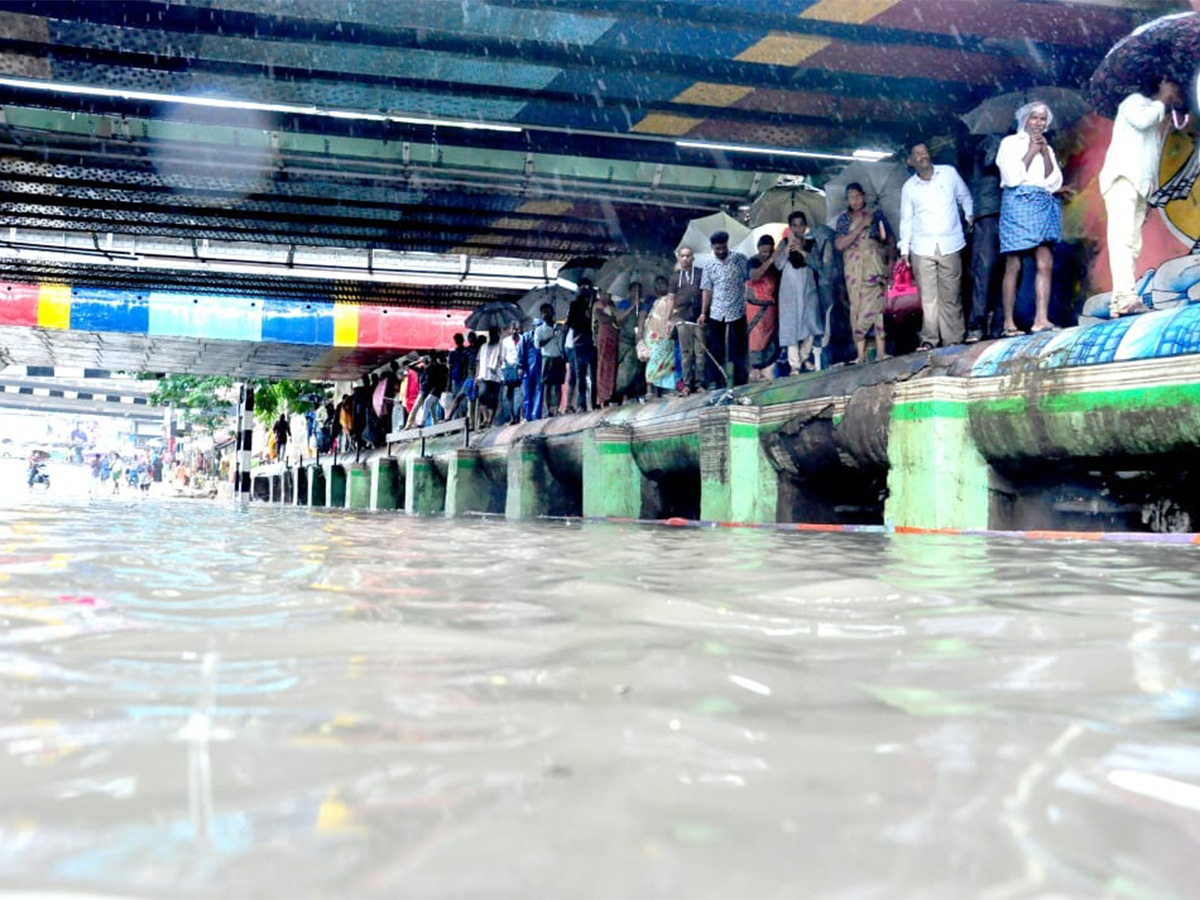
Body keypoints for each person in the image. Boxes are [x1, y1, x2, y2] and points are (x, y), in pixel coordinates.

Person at [1100, 74, 1185, 317]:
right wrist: (1163, 102)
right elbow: (1142, 120)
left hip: (1138, 185)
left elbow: (1150, 158)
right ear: (1161, 82)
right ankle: (1126, 299)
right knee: (1123, 241)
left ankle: (1121, 301)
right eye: (1171, 84)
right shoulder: (1134, 101)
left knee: (1132, 244)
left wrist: (1148, 193)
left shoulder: (1156, 114)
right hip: (1123, 179)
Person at [899, 139, 974, 350]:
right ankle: (929, 340)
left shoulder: (948, 173)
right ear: (910, 161)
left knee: (951, 295)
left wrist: (969, 215)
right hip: (922, 248)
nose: (923, 155)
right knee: (928, 300)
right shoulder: (909, 188)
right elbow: (906, 220)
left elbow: (965, 196)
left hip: (950, 243)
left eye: (924, 151)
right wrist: (904, 249)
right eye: (917, 153)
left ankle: (953, 340)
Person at [997, 101, 1063, 336]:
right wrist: (1031, 152)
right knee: (1014, 263)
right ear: (1024, 119)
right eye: (1034, 118)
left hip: (1042, 202)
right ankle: (1008, 323)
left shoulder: (1048, 147)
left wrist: (1044, 153)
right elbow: (1012, 177)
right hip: (1017, 202)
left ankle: (1041, 319)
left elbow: (1054, 181)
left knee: (1045, 263)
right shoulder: (1009, 144)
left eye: (1043, 119)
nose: (1039, 123)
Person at [835, 183, 895, 364]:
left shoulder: (876, 214)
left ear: (864, 196)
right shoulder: (844, 220)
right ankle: (860, 355)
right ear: (847, 200)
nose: (855, 200)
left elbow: (889, 239)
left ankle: (881, 352)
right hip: (854, 268)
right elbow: (840, 244)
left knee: (877, 308)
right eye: (851, 197)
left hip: (874, 265)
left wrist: (891, 261)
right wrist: (861, 225)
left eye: (858, 196)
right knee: (857, 307)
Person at [699, 230, 749, 388]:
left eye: (723, 248)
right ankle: (717, 381)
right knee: (716, 348)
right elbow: (706, 289)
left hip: (738, 309)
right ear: (712, 247)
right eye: (717, 249)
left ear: (727, 244)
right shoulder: (708, 264)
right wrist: (703, 313)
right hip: (717, 311)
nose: (721, 251)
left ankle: (740, 380)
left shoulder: (739, 259)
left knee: (738, 347)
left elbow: (748, 280)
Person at [774, 212, 823, 373]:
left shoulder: (811, 243)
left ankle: (805, 357)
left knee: (810, 321)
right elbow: (778, 265)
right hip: (789, 289)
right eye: (794, 225)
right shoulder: (783, 244)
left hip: (807, 287)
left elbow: (817, 265)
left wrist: (803, 251)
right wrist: (787, 249)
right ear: (790, 227)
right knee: (791, 324)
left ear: (805, 225)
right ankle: (794, 364)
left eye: (801, 224)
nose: (798, 228)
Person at [967, 135, 1004, 340]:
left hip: (1003, 209)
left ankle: (997, 324)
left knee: (1004, 270)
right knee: (986, 269)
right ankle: (977, 324)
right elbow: (992, 163)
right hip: (989, 211)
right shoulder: (992, 141)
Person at [668, 247, 705, 395]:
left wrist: (703, 313)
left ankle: (700, 383)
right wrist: (669, 319)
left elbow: (706, 293)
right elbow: (671, 299)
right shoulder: (675, 277)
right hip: (682, 319)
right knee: (686, 353)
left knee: (700, 353)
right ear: (679, 258)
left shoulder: (700, 274)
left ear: (693, 258)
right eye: (682, 256)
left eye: (688, 256)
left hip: (698, 318)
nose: (685, 259)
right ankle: (687, 384)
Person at [745, 234, 780, 380]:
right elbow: (754, 276)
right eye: (764, 251)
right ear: (758, 249)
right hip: (755, 309)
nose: (766, 254)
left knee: (768, 341)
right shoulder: (752, 262)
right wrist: (770, 260)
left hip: (770, 308)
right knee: (755, 341)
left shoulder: (775, 265)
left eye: (769, 252)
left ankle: (765, 370)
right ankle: (754, 371)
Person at [565, 279, 597, 412]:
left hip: (593, 342)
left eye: (587, 287)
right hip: (579, 342)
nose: (585, 289)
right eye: (582, 287)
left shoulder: (594, 303)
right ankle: (581, 403)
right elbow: (571, 323)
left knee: (594, 374)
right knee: (581, 375)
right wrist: (584, 317)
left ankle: (595, 402)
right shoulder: (574, 305)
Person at [535, 302, 566, 416]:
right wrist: (551, 335)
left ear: (553, 313)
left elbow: (562, 341)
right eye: (544, 312)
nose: (546, 314)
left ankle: (556, 408)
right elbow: (538, 345)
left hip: (558, 357)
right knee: (547, 385)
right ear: (541, 315)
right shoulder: (539, 330)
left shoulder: (558, 326)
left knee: (558, 385)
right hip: (547, 358)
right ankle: (548, 410)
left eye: (548, 311)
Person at [592, 288, 620, 406]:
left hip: (613, 336)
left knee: (612, 365)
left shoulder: (612, 305)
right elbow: (603, 318)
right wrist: (614, 319)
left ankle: (611, 393)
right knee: (603, 365)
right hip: (604, 336)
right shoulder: (598, 305)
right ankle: (603, 396)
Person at [476, 327, 504, 429]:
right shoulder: (483, 347)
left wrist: (501, 341)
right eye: (491, 333)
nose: (492, 335)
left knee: (493, 399)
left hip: (496, 376)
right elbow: (478, 361)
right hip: (483, 375)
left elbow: (502, 359)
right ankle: (484, 418)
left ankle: (489, 420)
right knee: (482, 395)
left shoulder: (500, 346)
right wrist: (476, 376)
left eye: (494, 333)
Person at [519, 314, 544, 422]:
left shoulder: (543, 338)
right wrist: (520, 366)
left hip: (539, 368)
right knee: (527, 393)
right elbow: (521, 353)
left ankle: (536, 414)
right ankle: (527, 415)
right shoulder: (526, 337)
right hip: (527, 369)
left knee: (539, 391)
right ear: (533, 327)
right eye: (536, 326)